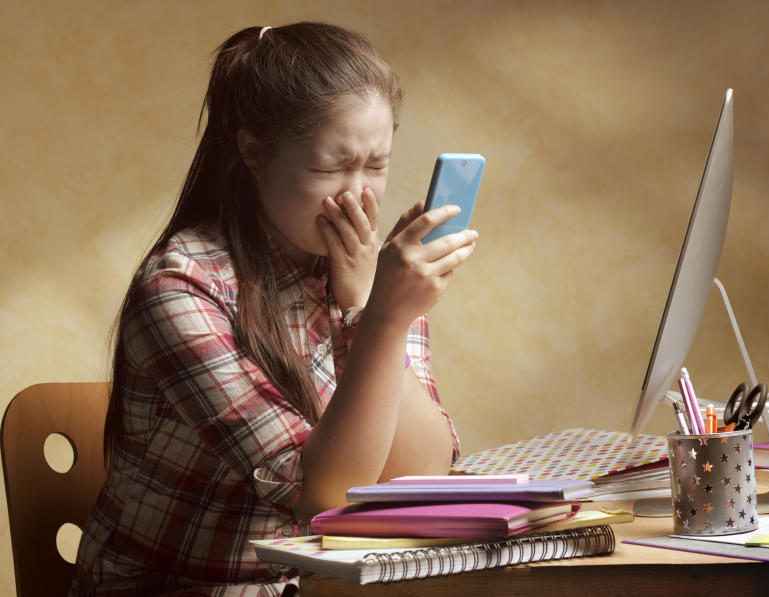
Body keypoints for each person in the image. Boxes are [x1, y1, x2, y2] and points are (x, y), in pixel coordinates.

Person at [70, 22, 477, 596]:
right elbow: (325, 499)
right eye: (328, 168)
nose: (357, 195)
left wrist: (366, 305)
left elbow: (418, 477)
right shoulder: (181, 287)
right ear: (253, 153)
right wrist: (385, 319)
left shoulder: (376, 280)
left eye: (375, 166)